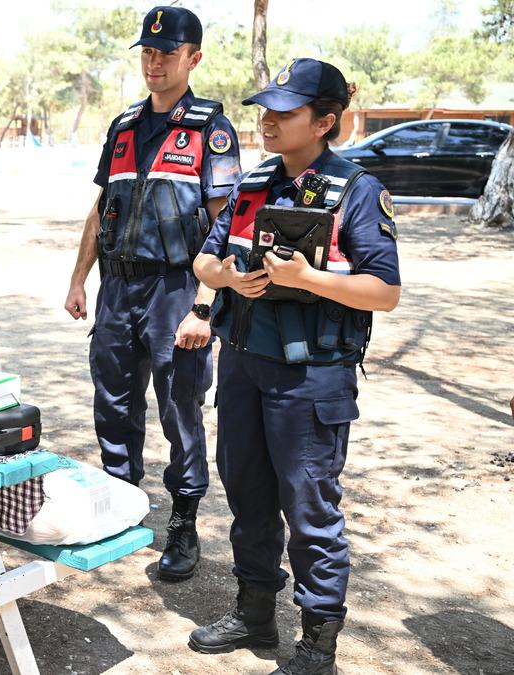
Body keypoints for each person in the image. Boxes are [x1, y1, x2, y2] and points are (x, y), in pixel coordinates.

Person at [187, 59, 401, 675]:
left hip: (311, 378)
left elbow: (385, 291)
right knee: (248, 494)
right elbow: (204, 262)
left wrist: (310, 279)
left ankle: (317, 646)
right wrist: (228, 278)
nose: (268, 122)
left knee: (309, 508)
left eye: (285, 112)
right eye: (266, 110)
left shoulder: (356, 191)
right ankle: (254, 613)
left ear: (324, 122)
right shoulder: (253, 184)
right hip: (243, 366)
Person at [63, 5, 242, 582]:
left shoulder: (210, 130)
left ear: (194, 58)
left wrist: (205, 306)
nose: (154, 62)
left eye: (167, 52)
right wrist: (79, 278)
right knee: (113, 401)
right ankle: (120, 508)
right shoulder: (123, 127)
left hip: (176, 287)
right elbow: (101, 209)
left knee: (179, 405)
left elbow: (226, 224)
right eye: (147, 51)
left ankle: (183, 524)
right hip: (116, 287)